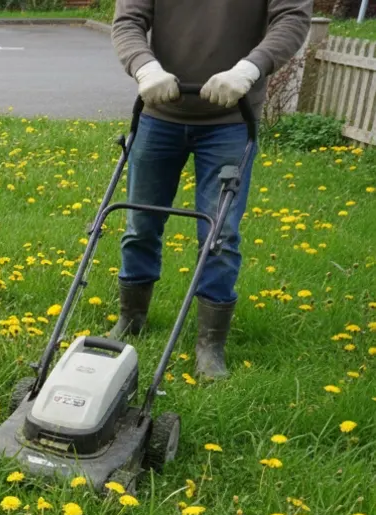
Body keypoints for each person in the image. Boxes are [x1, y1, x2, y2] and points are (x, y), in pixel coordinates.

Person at [111, 0, 312, 378]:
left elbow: (292, 18)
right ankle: (131, 317)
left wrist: (248, 70)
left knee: (221, 233)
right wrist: (145, 66)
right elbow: (128, 21)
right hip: (159, 114)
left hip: (232, 118)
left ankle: (210, 344)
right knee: (140, 220)